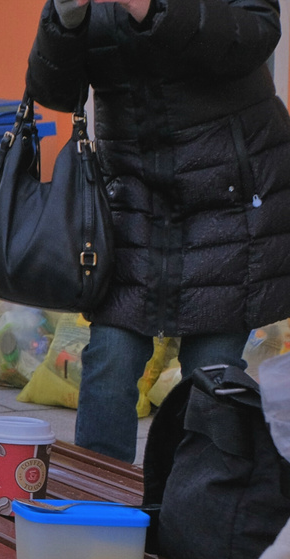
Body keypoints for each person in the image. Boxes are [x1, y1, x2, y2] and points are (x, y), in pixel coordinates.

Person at [27, 0, 290, 462]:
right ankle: (99, 510)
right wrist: (65, 21)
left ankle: (202, 510)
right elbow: (54, 90)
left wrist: (152, 8)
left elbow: (254, 36)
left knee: (212, 375)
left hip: (226, 195)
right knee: (110, 357)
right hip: (132, 197)